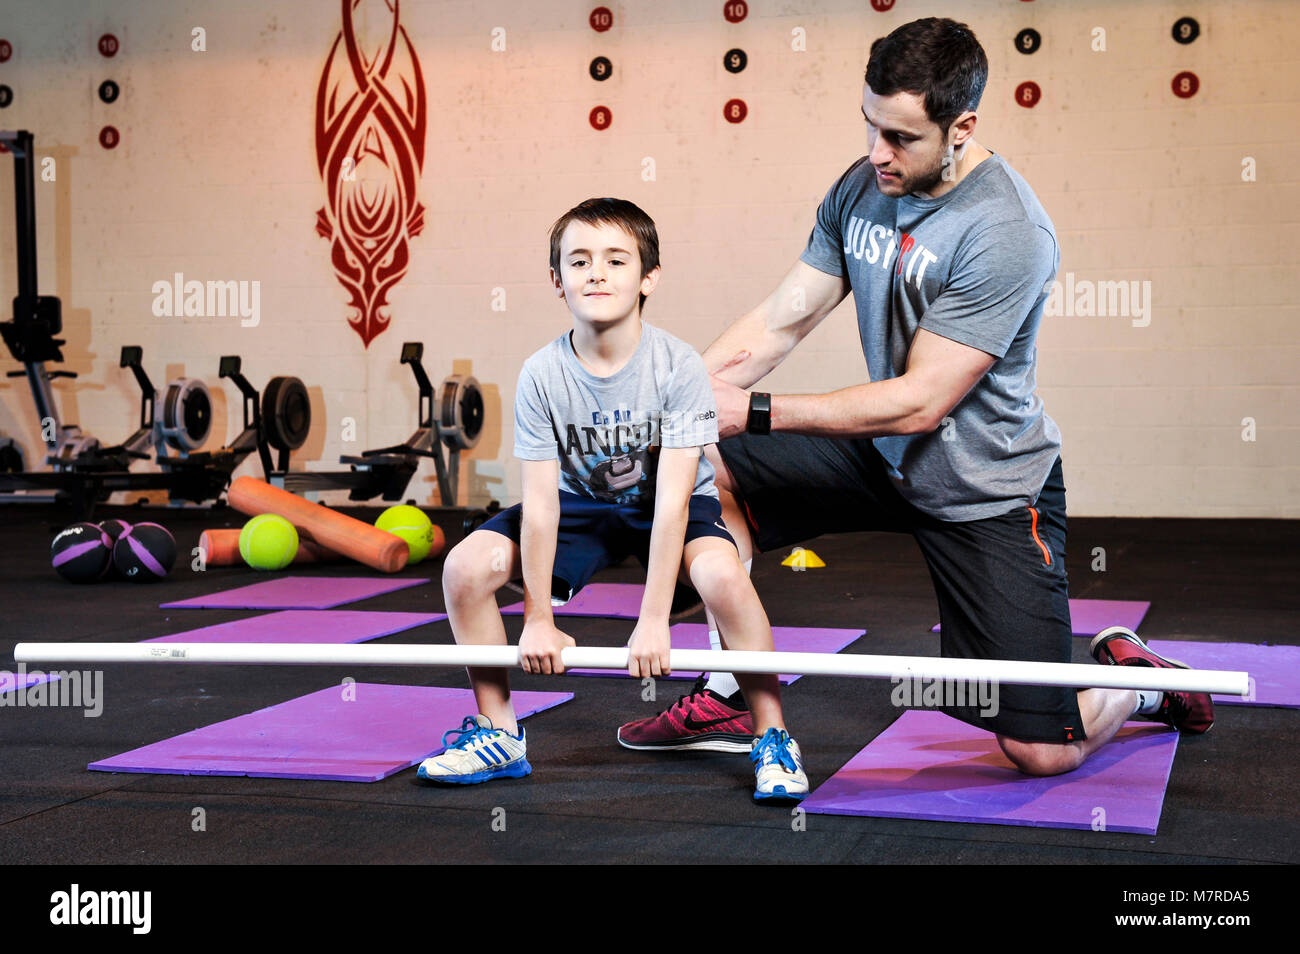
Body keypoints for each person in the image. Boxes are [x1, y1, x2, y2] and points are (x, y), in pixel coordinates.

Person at [616, 17, 1213, 776]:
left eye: (900, 137)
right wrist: (685, 401)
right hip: (881, 456)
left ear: (962, 127)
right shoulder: (864, 186)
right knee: (709, 459)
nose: (876, 153)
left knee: (1039, 749)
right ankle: (734, 689)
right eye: (869, 126)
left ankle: (1131, 685)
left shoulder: (1006, 230)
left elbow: (923, 402)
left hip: (984, 487)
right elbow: (781, 318)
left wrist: (754, 409)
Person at [418, 197, 810, 802]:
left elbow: (675, 504)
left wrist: (654, 623)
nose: (596, 273)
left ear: (648, 277)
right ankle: (498, 734)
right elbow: (542, 504)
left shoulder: (677, 367)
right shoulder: (540, 375)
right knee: (466, 566)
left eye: (615, 260)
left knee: (723, 576)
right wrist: (539, 621)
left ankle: (773, 737)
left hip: (665, 504)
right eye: (579, 261)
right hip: (579, 506)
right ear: (557, 280)